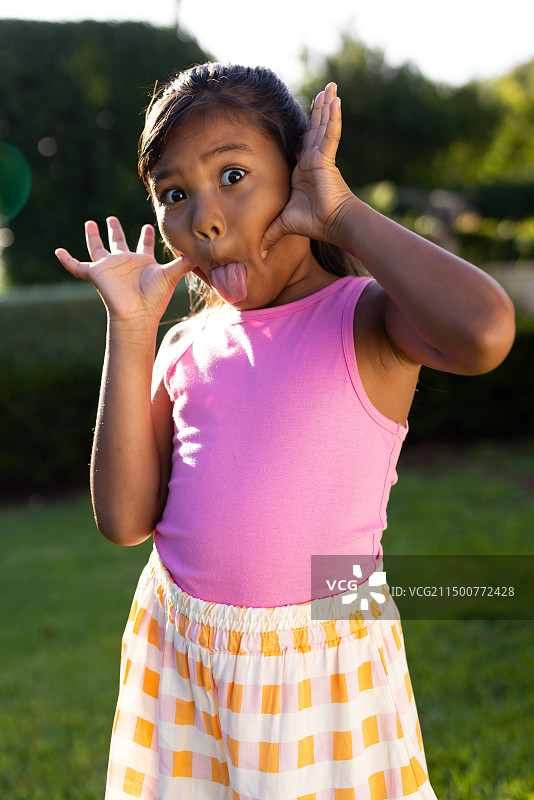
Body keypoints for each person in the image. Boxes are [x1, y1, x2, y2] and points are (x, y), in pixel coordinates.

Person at [55, 62, 515, 800]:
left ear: (298, 175)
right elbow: (123, 521)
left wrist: (340, 213)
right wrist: (132, 329)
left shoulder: (363, 317)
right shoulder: (183, 347)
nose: (203, 217)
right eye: (175, 194)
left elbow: (485, 332)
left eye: (232, 175)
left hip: (324, 648)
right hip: (185, 645)